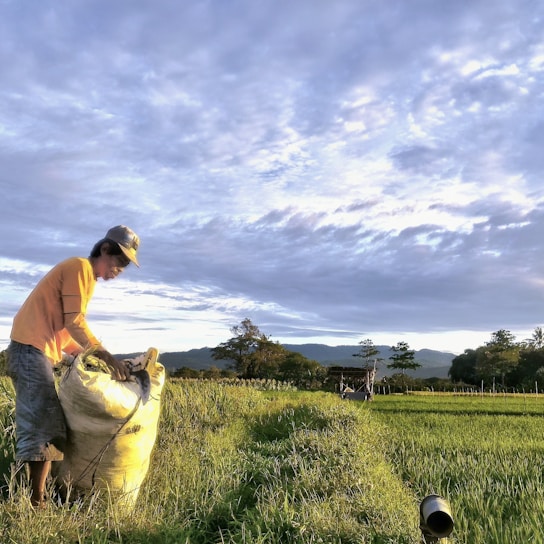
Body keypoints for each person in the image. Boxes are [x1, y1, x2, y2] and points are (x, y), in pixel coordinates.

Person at [6, 225, 140, 508]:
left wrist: (89, 360)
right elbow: (74, 322)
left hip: (36, 350)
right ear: (105, 250)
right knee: (43, 424)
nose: (120, 269)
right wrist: (106, 357)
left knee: (48, 423)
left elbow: (67, 336)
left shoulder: (85, 279)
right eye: (120, 261)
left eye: (125, 265)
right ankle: (36, 501)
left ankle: (36, 494)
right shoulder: (80, 267)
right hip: (30, 349)